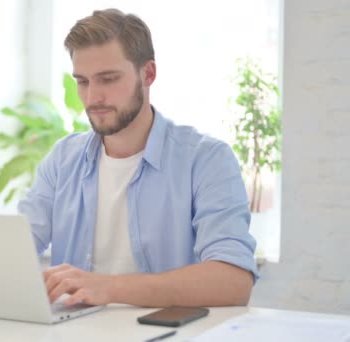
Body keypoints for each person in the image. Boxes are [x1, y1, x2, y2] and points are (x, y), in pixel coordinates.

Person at [17, 8, 258, 308]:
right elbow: (14, 250)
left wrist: (110, 288)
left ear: (148, 74)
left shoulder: (206, 160)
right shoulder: (63, 160)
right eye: (83, 82)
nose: (93, 98)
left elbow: (233, 282)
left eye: (108, 79)